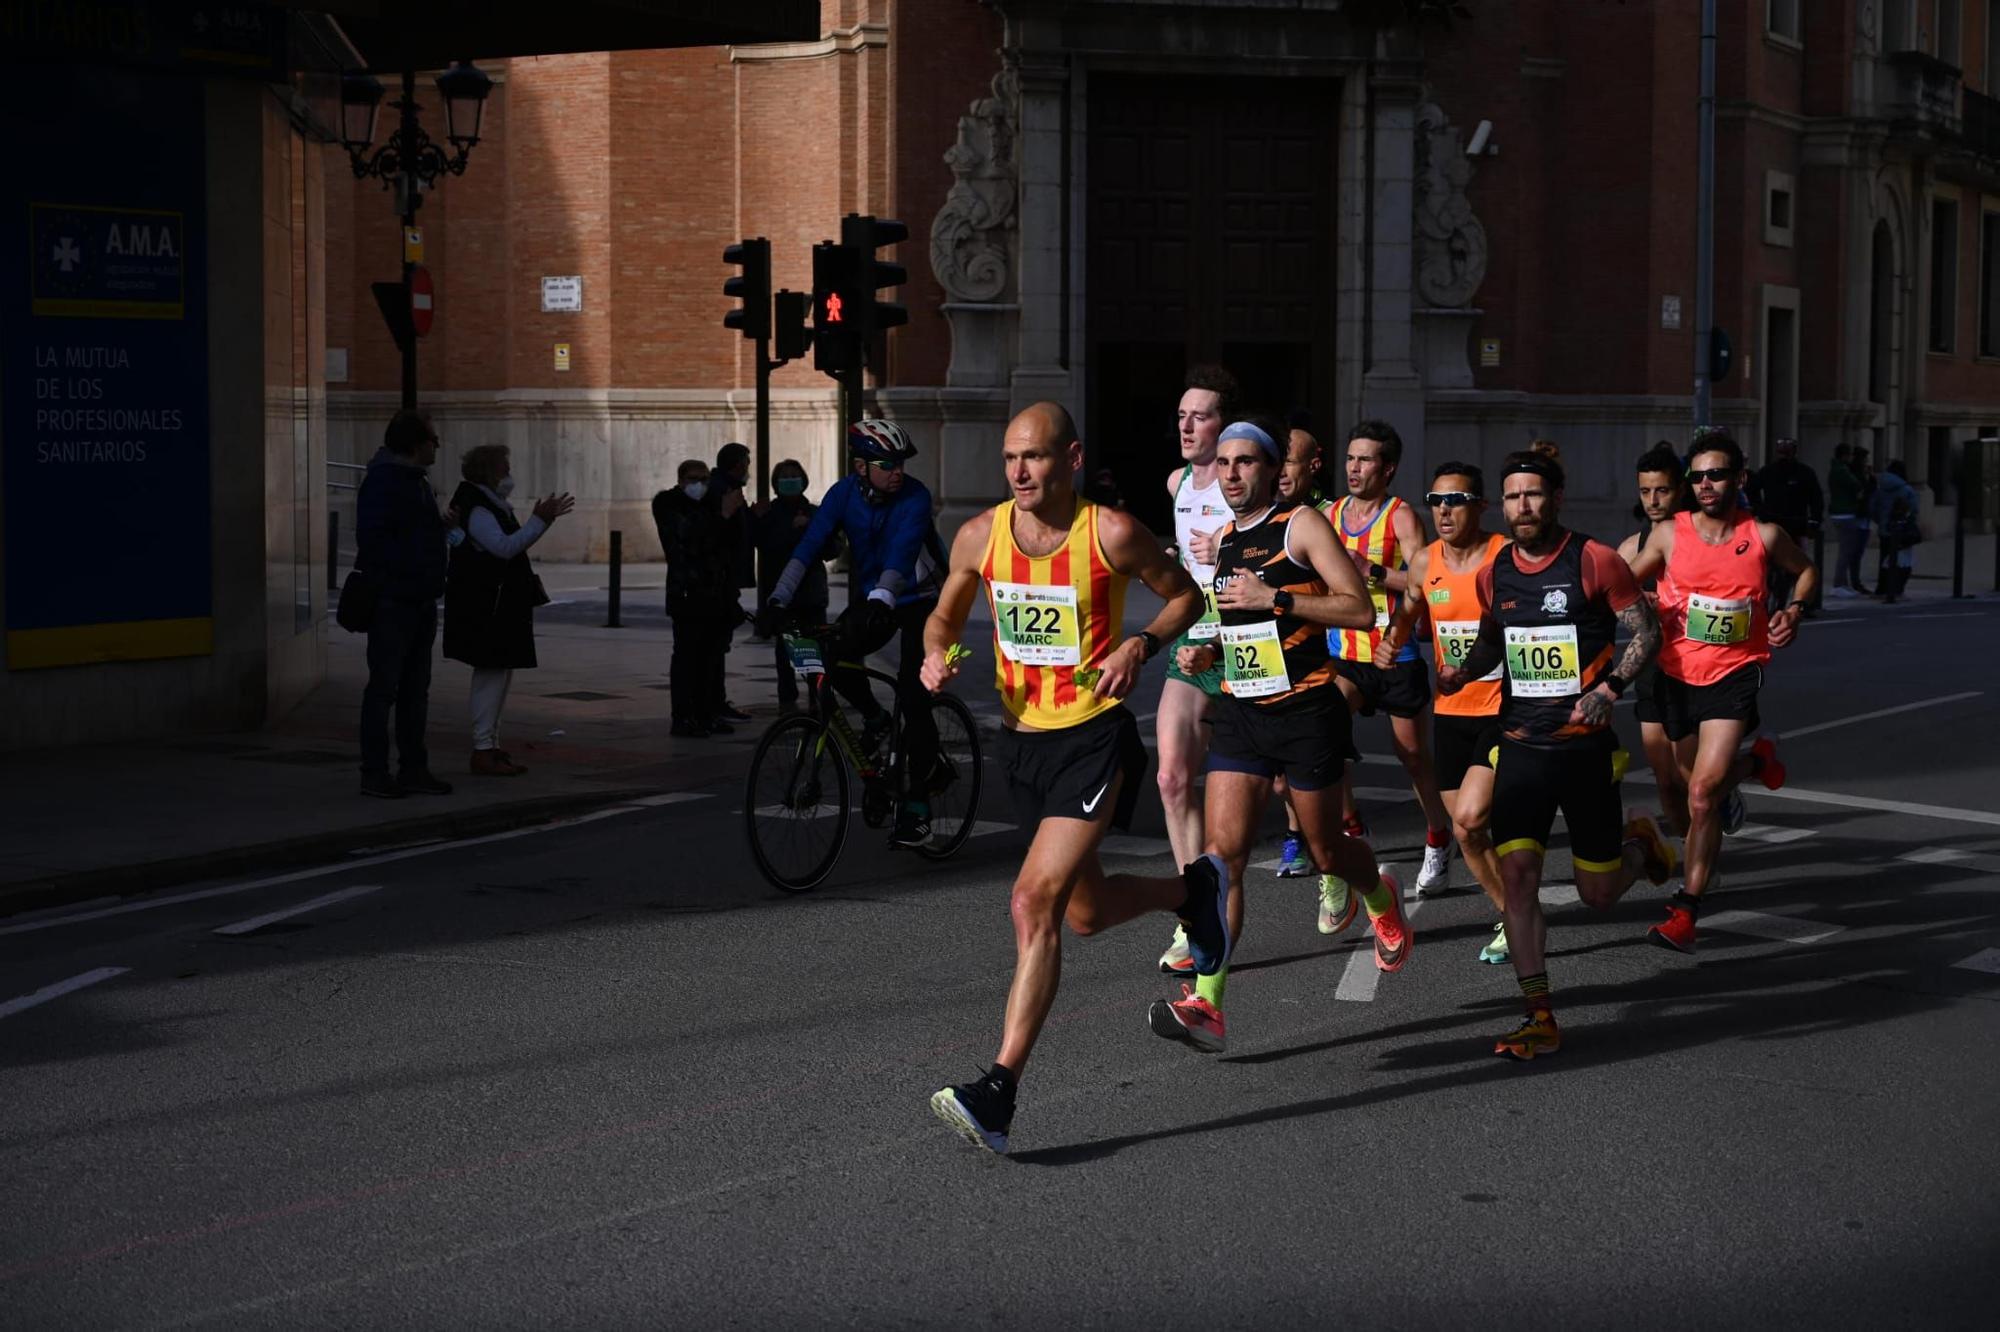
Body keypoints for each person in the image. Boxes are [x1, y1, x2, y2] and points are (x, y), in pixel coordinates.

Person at [921, 401, 1216, 1154]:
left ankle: (999, 1090)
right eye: (1011, 458)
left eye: (1036, 457)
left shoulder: (1110, 532)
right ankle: (1193, 893)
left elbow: (1185, 594)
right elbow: (945, 615)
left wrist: (1138, 646)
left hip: (1093, 738)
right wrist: (937, 655)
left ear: (1072, 458)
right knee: (1083, 914)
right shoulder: (981, 535)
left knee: (1032, 903)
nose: (1020, 471)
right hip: (1023, 744)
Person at [1147, 417, 1405, 1055]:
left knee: (1325, 852)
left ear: (1270, 470)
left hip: (1306, 712)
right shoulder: (1228, 539)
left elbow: (1359, 608)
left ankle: (1377, 891)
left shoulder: (1302, 527)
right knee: (1222, 857)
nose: (1231, 474)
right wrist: (1207, 653)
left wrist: (1278, 599)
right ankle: (1207, 1004)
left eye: (1244, 463)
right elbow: (1242, 632)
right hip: (1242, 710)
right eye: (1224, 464)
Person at [1437, 444, 1676, 1060]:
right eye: (1513, 495)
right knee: (1519, 882)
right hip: (1519, 747)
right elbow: (1495, 637)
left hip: (1584, 752)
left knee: (1598, 895)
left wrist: (1610, 688)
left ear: (1556, 499)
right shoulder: (1495, 572)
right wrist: (1461, 673)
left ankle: (1639, 846)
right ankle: (1538, 1013)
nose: (1523, 505)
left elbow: (1646, 632)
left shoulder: (1594, 561)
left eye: (1534, 494)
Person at [1628, 428, 1813, 952]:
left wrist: (1793, 609)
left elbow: (1806, 572)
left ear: (1739, 478)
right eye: (1699, 476)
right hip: (1675, 675)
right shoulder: (1669, 533)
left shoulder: (1764, 535)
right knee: (1692, 785)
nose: (1706, 484)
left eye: (1717, 474)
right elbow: (1624, 584)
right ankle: (1756, 765)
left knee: (1704, 793)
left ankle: (1686, 911)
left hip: (1734, 674)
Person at [762, 419, 947, 848]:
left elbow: (902, 557)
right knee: (833, 659)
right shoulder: (843, 494)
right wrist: (777, 599)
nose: (897, 471)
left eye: (900, 462)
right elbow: (809, 546)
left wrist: (883, 598)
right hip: (873, 595)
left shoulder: (915, 497)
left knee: (914, 695)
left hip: (920, 598)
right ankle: (877, 719)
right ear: (861, 467)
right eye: (887, 463)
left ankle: (917, 809)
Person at [1380, 462, 1512, 962]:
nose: (1444, 511)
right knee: (1469, 829)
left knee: (1473, 820)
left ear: (1480, 506)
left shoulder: (1505, 557)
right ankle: (1515, 906)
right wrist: (1391, 643)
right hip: (1452, 710)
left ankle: (1513, 919)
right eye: (1435, 501)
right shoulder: (1424, 562)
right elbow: (1409, 607)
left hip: (1507, 706)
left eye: (1455, 500)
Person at [1326, 420, 1455, 893]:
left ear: (1388, 468)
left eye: (1366, 460)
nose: (1355, 468)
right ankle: (1352, 826)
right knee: (1326, 730)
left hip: (1393, 654)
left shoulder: (1400, 517)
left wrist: (1375, 571)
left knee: (1414, 755)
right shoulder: (1332, 514)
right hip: (1346, 655)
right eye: (1351, 458)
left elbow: (1428, 581)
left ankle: (1439, 836)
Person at [1155, 366, 1235, 976]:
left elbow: (1279, 543)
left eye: (1200, 415)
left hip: (1244, 644)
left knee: (1292, 797)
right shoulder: (1176, 481)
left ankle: (1348, 870)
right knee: (1173, 779)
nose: (1186, 425)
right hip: (1192, 641)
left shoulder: (1245, 483)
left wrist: (1229, 544)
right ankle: (1195, 911)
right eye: (1182, 415)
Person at [443, 445, 574, 775]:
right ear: (488, 471)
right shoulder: (479, 507)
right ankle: (483, 748)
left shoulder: (487, 503)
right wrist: (540, 522)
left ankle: (491, 744)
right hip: (490, 605)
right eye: (504, 468)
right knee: (491, 676)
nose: (509, 474)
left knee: (500, 675)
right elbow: (503, 548)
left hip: (498, 602)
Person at [355, 409, 457, 799]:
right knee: (384, 689)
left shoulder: (417, 481)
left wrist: (438, 531)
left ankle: (414, 767)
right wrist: (408, 572)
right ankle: (375, 772)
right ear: (416, 444)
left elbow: (409, 534)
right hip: (395, 601)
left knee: (416, 690)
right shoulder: (385, 482)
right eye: (433, 438)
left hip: (420, 599)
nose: (438, 444)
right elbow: (376, 541)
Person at [1618, 443, 1699, 840]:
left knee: (1692, 777)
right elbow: (1612, 601)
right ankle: (1691, 854)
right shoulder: (1632, 547)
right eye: (1645, 491)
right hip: (1652, 669)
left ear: (1680, 490)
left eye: (1662, 490)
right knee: (1665, 778)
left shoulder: (1701, 538)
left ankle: (1708, 838)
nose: (1653, 500)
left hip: (1698, 668)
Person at [1267, 424, 1334, 879]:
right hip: (1267, 661)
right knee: (1278, 778)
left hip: (1332, 654)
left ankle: (1331, 844)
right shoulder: (1258, 516)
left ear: (1313, 464)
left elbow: (1350, 596)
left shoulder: (1328, 515)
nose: (1282, 471)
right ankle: (1301, 832)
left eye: (1289, 461)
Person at [652, 459, 736, 737]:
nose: (698, 484)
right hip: (686, 592)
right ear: (680, 480)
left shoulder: (712, 503)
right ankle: (683, 716)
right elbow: (686, 537)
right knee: (687, 656)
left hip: (714, 592)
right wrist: (722, 515)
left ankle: (706, 713)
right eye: (692, 478)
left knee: (710, 657)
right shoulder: (667, 503)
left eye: (703, 478)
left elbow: (725, 544)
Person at [752, 459, 830, 713]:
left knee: (813, 648)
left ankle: (816, 697)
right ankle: (787, 699)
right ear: (776, 483)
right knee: (785, 649)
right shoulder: (769, 514)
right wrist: (792, 531)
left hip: (810, 594)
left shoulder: (815, 513)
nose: (789, 480)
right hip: (782, 595)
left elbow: (832, 549)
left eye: (794, 475)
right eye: (784, 476)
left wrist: (810, 530)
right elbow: (767, 546)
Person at [710, 442, 755, 724]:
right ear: (737, 465)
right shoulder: (722, 491)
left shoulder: (727, 489)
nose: (747, 469)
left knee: (718, 646)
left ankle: (715, 701)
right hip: (719, 581)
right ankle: (712, 703)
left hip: (725, 580)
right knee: (714, 646)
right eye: (745, 463)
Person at [1748, 438, 1822, 610]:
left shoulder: (1804, 472)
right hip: (1772, 524)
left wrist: (1815, 520)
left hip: (1796, 525)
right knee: (1763, 565)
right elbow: (1752, 491)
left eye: (1787, 452)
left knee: (1799, 566)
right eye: (1781, 452)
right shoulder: (1768, 471)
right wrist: (1759, 510)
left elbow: (1816, 498)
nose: (1784, 456)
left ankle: (1802, 602)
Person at [1870, 458, 1922, 603]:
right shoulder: (1906, 489)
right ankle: (1897, 590)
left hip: (1885, 529)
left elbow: (1873, 508)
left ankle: (1882, 589)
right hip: (1901, 530)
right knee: (1903, 561)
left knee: (1885, 560)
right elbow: (1914, 510)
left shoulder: (1881, 488)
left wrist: (1881, 522)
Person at [1826, 443, 1871, 598]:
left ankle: (1843, 584)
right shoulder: (1842, 471)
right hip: (1845, 513)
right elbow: (1857, 485)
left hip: (1841, 512)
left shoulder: (1837, 469)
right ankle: (1839, 584)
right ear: (1844, 455)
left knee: (1846, 550)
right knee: (1846, 551)